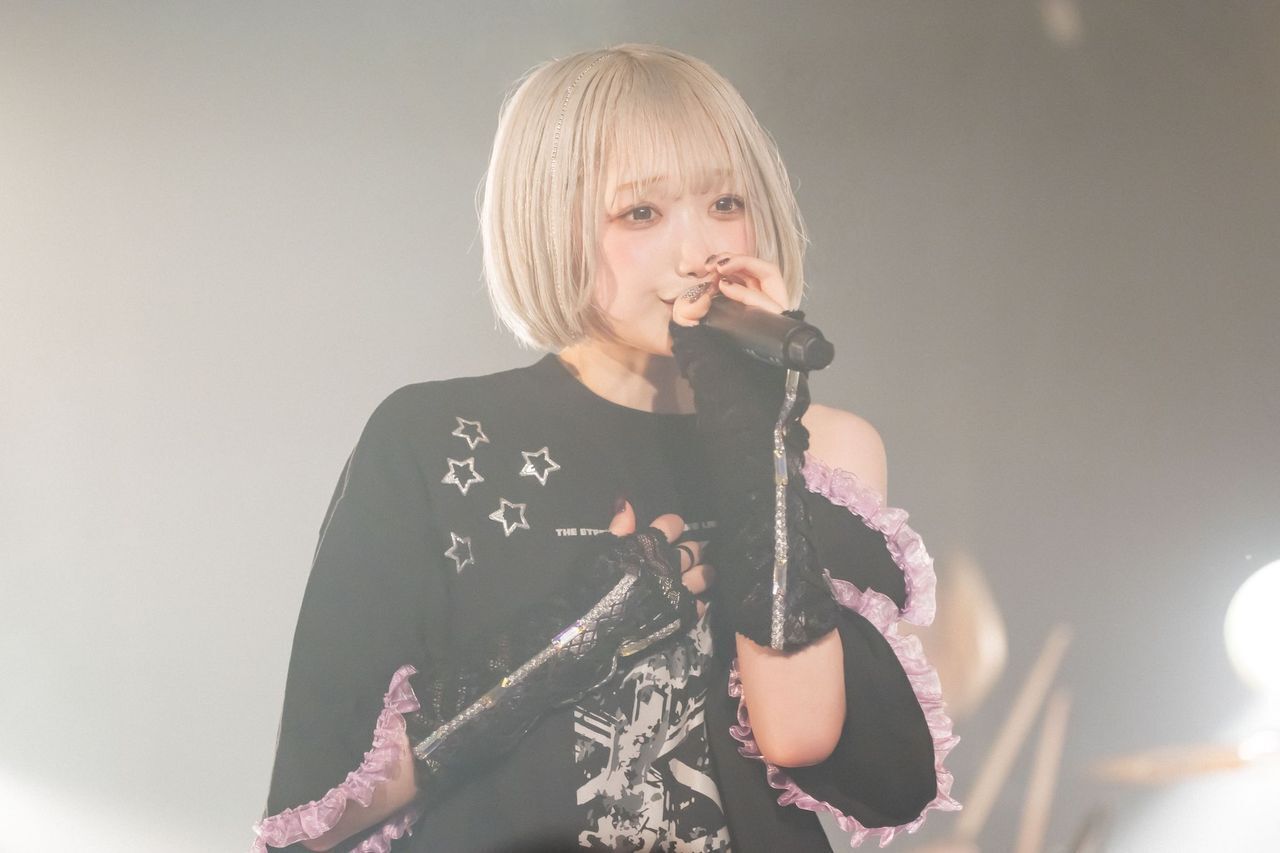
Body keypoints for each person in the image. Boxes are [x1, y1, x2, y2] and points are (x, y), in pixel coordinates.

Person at [251, 44, 958, 853]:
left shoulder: (817, 443)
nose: (699, 253)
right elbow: (316, 822)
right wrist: (571, 638)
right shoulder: (432, 438)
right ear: (550, 223)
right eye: (642, 213)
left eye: (725, 202)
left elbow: (800, 733)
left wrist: (753, 437)